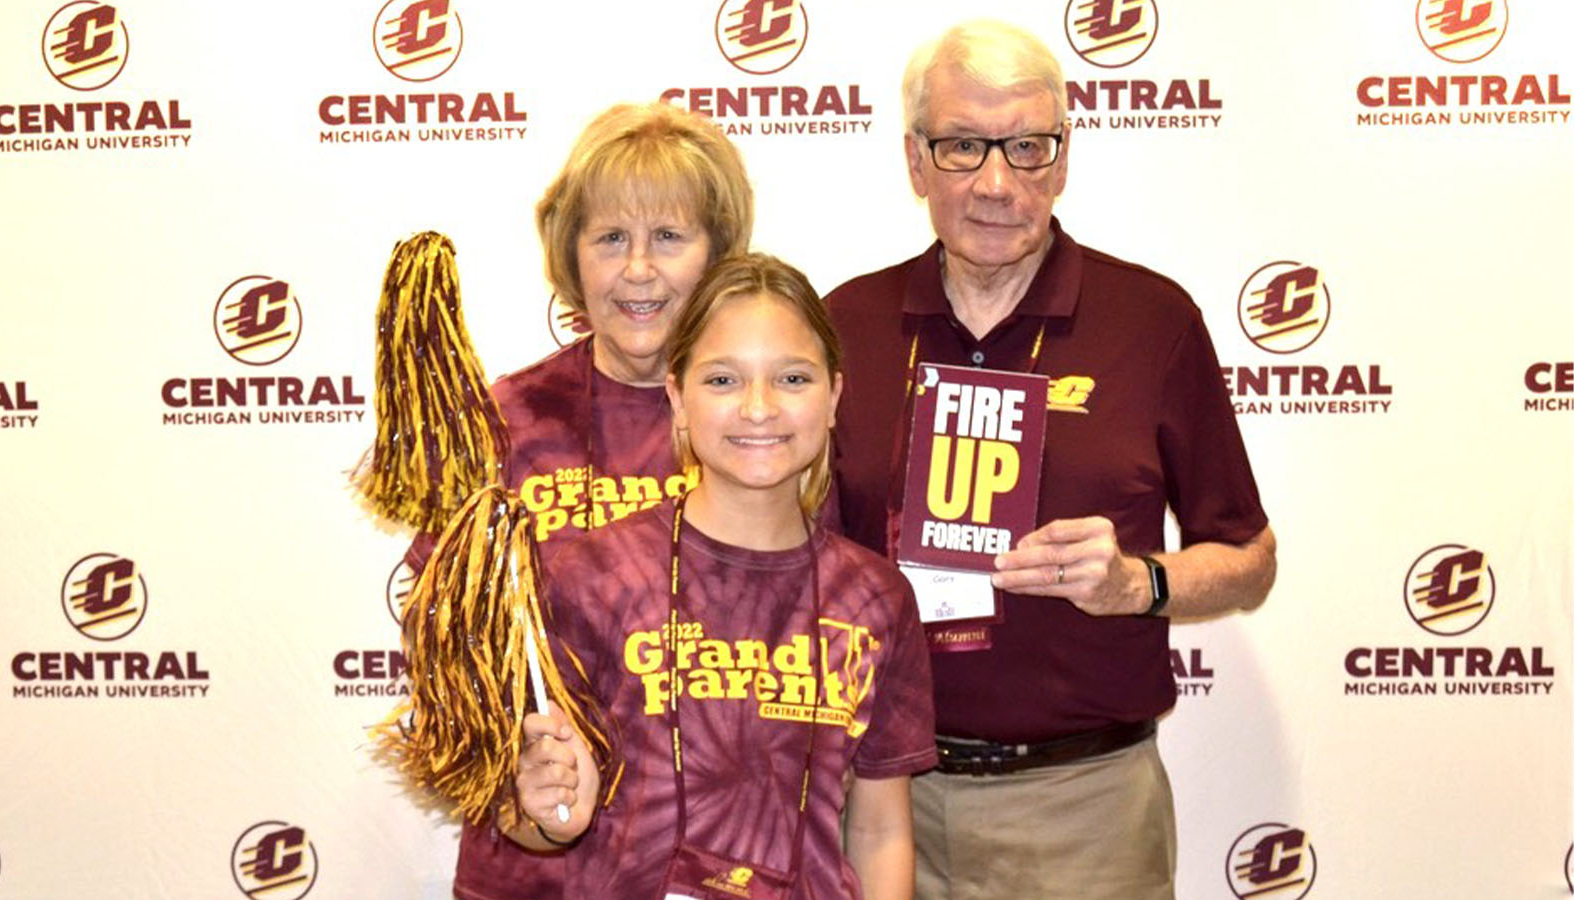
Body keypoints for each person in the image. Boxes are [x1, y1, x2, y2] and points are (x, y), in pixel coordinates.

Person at [823, 20, 1278, 900]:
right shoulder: (846, 324)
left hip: (1088, 806)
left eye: (1027, 147)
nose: (998, 182)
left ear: (1063, 160)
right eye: (963, 147)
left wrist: (1136, 586)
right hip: (881, 804)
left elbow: (1251, 562)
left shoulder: (1153, 320)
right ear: (916, 162)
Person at [405, 100, 754, 900]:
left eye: (669, 237)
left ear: (719, 252)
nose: (639, 270)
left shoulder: (764, 425)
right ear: (571, 256)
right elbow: (443, 654)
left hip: (719, 867)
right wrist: (514, 769)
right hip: (537, 867)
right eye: (610, 239)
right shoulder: (501, 425)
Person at [512, 254, 937, 899]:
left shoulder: (875, 597)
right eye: (722, 381)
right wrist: (547, 813)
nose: (759, 408)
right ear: (677, 398)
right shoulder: (587, 576)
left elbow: (880, 831)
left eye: (793, 378)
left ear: (834, 399)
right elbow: (530, 823)